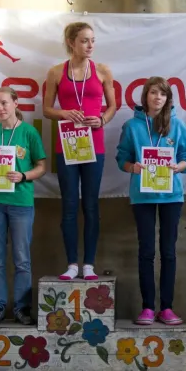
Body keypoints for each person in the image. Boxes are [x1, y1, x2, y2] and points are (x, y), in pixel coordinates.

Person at [116, 76, 186, 325]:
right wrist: (132, 167)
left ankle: (167, 307)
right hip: (143, 196)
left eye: (162, 93)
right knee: (147, 251)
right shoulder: (132, 126)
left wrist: (178, 166)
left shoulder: (177, 124)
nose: (157, 97)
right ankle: (148, 307)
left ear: (168, 98)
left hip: (171, 195)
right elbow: (122, 158)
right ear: (145, 96)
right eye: (153, 93)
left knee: (168, 252)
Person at [43, 22, 117, 281]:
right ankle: (72, 263)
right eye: (85, 40)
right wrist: (64, 113)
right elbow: (46, 110)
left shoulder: (102, 71)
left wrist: (102, 119)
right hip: (68, 145)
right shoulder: (55, 72)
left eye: (93, 40)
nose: (90, 45)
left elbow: (113, 106)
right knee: (70, 204)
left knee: (91, 204)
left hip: (94, 145)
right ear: (71, 42)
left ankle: (89, 265)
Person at [0, 86, 47, 325]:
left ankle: (22, 307)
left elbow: (41, 167)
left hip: (20, 202)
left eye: (4, 103)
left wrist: (24, 176)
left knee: (22, 259)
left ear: (15, 103)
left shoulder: (29, 133)